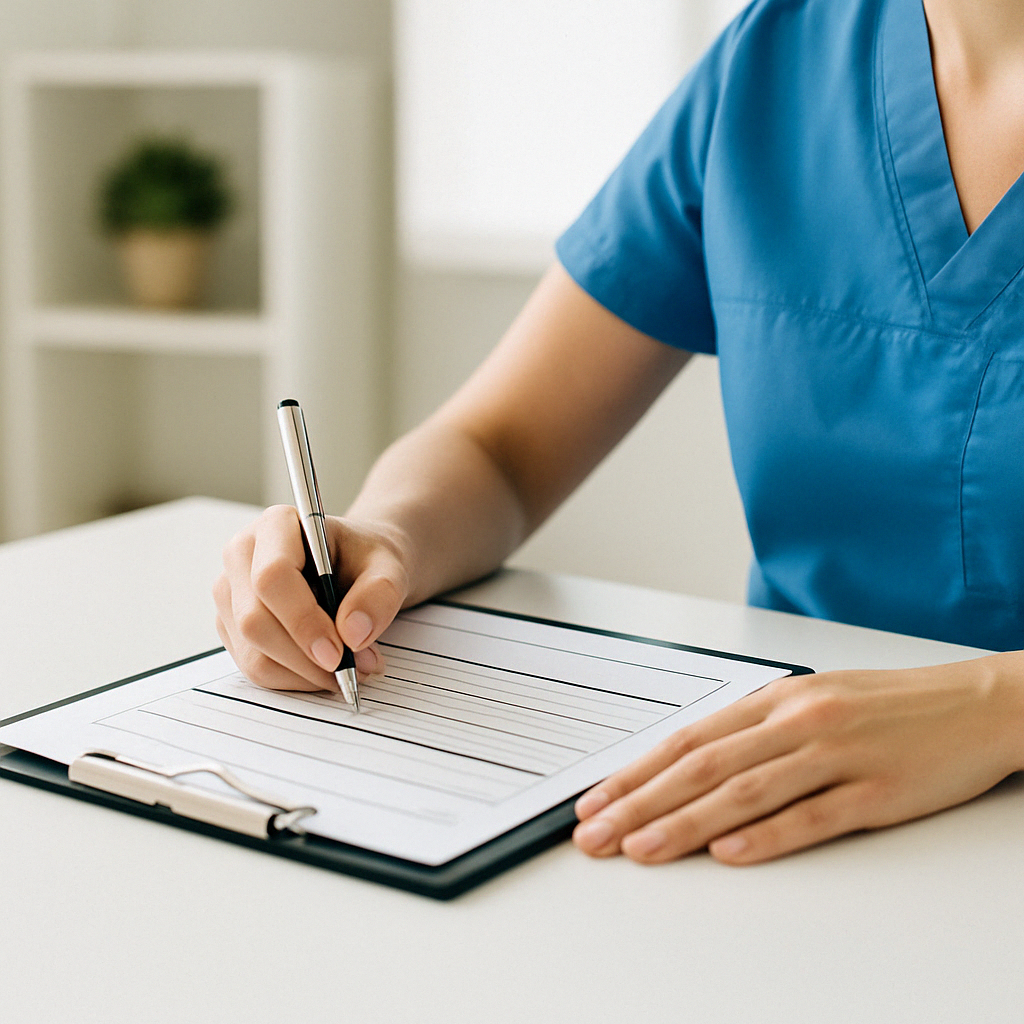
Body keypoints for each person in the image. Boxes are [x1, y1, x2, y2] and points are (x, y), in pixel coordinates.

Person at [214, 0, 1024, 867]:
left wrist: (993, 706)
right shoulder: (776, 55)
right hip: (775, 789)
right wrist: (388, 540)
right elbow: (498, 447)